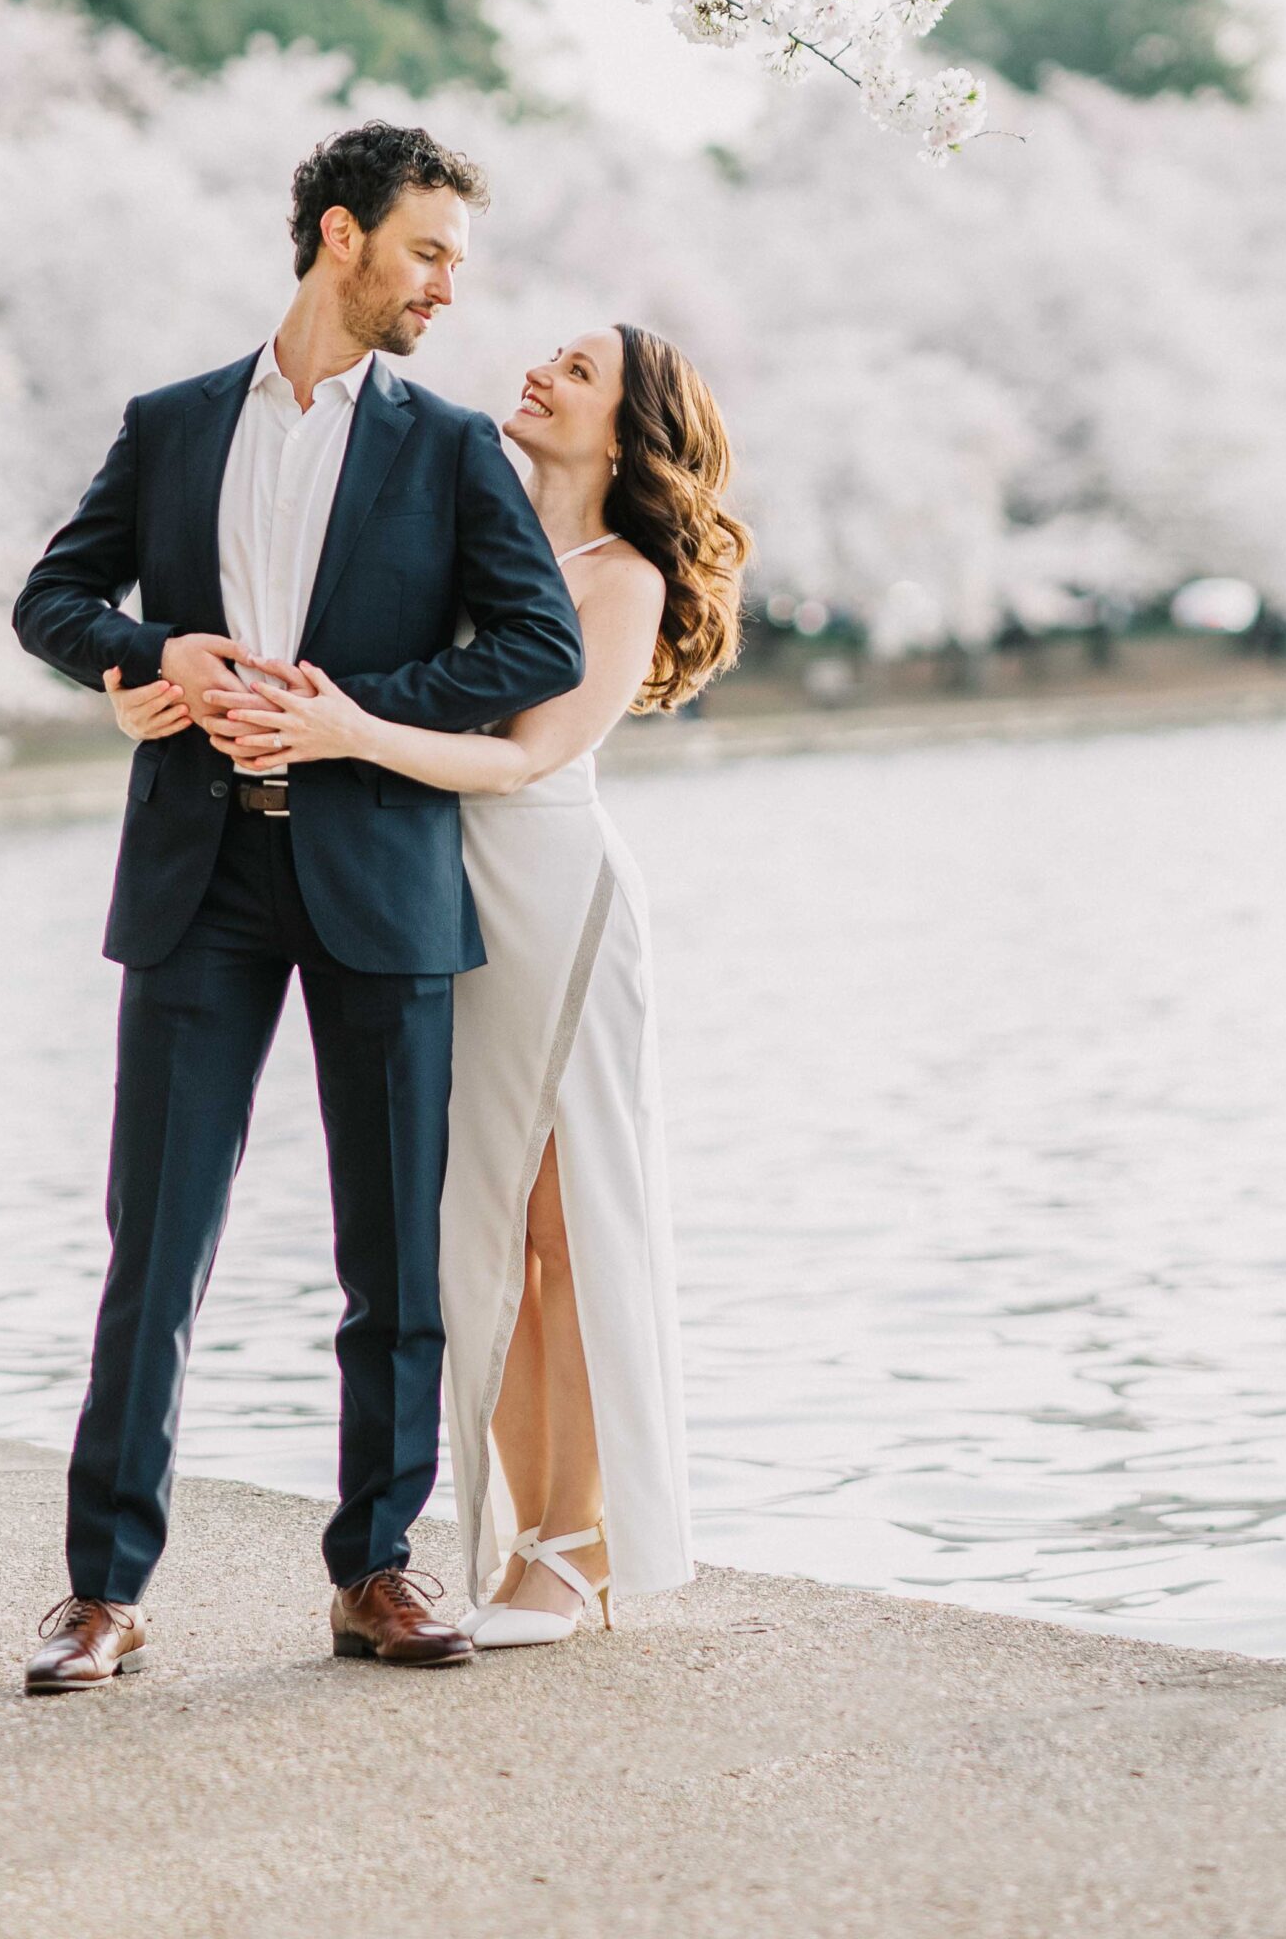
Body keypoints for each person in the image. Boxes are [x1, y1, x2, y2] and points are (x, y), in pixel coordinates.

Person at [12, 120, 583, 1688]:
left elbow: (538, 648)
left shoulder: (452, 444)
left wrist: (351, 711)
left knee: (390, 1255)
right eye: (426, 253)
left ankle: (377, 1570)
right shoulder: (174, 421)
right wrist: (151, 659)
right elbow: (51, 598)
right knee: (159, 1245)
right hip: (199, 880)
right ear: (339, 237)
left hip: (379, 874)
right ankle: (103, 1591)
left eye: (455, 262)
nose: (446, 289)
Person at [224, 323, 748, 1646]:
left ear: (625, 434)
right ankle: (521, 1535)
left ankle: (573, 1553)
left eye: (577, 373)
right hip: (442, 894)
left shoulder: (618, 576)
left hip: (549, 897)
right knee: (485, 1232)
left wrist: (342, 733)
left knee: (565, 1236)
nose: (539, 374)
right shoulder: (478, 539)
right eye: (550, 357)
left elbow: (523, 760)